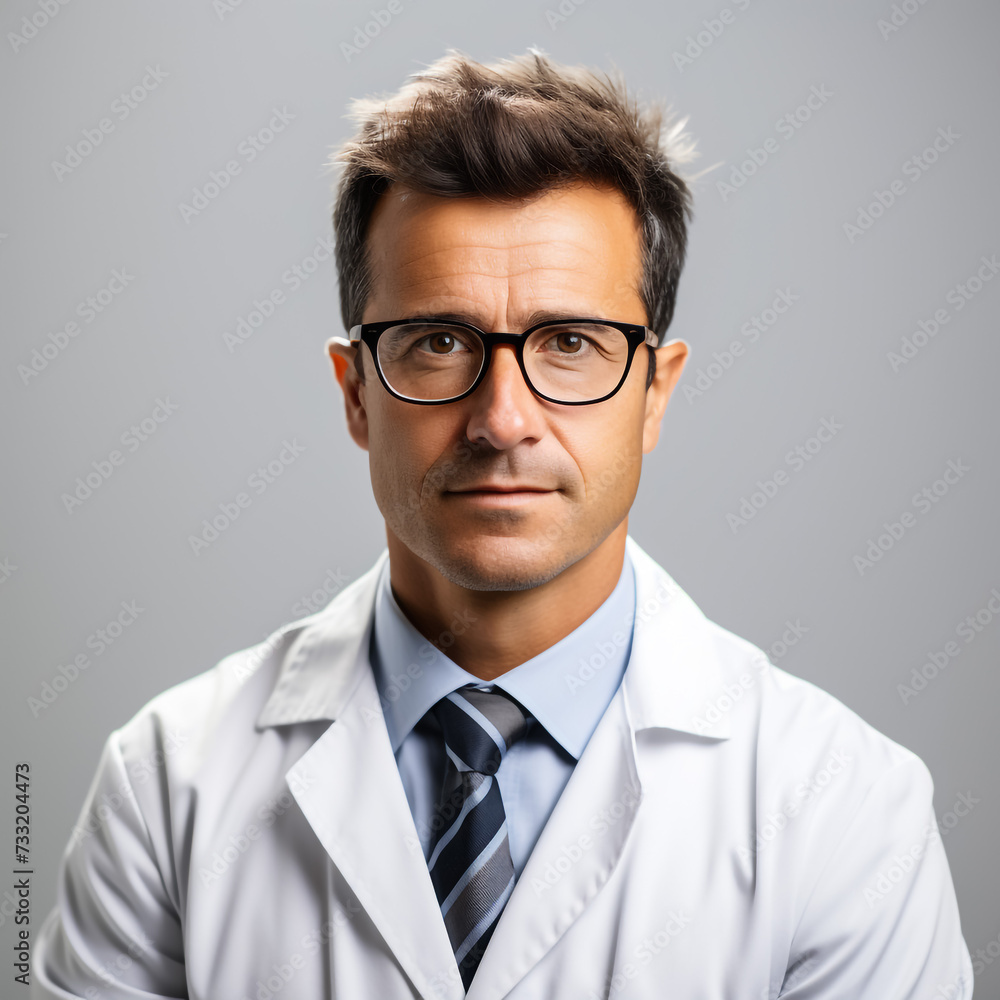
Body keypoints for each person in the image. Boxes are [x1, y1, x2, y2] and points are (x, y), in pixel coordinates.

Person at [33, 49, 973, 999]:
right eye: (439, 343)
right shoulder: (167, 787)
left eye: (571, 344)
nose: (503, 419)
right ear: (355, 393)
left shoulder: (844, 809)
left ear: (655, 393)